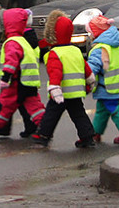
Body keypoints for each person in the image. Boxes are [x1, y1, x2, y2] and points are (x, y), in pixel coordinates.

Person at [0, 8, 45, 138]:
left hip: (16, 81)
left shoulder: (12, 42)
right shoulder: (23, 41)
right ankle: (45, 126)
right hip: (29, 81)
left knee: (4, 104)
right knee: (34, 106)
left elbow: (11, 62)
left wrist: (5, 78)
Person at [32, 10, 96, 148]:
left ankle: (43, 135)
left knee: (51, 114)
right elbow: (86, 68)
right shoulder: (75, 50)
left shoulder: (55, 53)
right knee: (79, 114)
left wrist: (55, 88)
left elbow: (55, 72)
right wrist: (90, 80)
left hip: (61, 93)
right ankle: (88, 136)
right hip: (77, 91)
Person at [85, 14, 119, 144]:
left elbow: (93, 67)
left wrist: (85, 77)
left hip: (107, 86)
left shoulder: (99, 49)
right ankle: (95, 132)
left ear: (95, 33)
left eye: (89, 32)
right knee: (102, 110)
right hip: (116, 84)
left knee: (115, 108)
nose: (89, 35)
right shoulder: (116, 46)